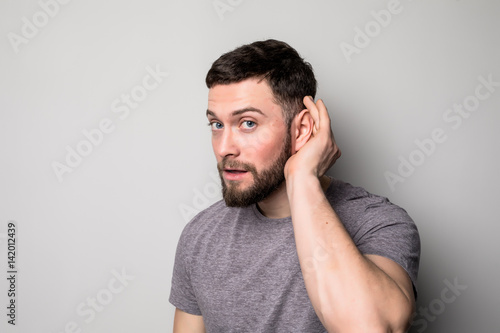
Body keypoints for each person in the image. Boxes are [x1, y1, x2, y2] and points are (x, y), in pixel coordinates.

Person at [169, 39, 420, 332]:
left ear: (301, 129)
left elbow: (372, 328)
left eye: (247, 123)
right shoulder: (200, 236)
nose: (224, 148)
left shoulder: (378, 223)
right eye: (217, 125)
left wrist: (302, 177)